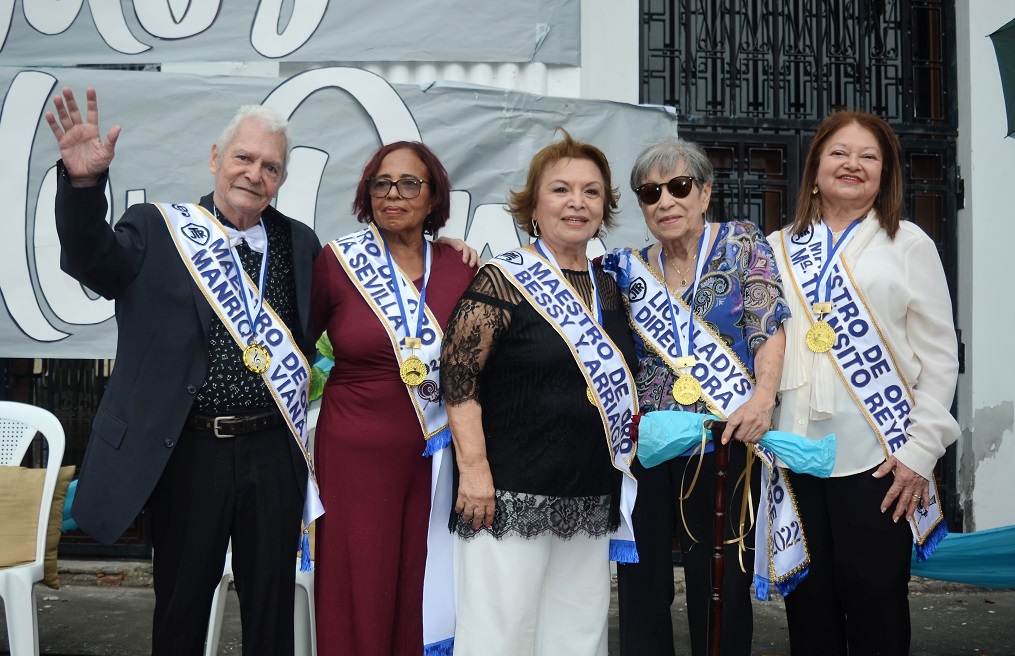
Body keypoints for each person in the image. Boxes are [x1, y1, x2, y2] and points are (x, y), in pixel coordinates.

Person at [47, 87, 322, 654]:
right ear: (215, 157)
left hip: (273, 451)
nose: (254, 174)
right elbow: (89, 259)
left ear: (282, 179)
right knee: (180, 610)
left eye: (271, 166)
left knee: (271, 617)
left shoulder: (300, 243)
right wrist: (81, 187)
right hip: (189, 452)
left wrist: (439, 251)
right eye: (244, 158)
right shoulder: (157, 228)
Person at [439, 129, 639, 656]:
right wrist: (475, 470)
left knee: (578, 636)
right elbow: (458, 377)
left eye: (591, 192)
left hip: (588, 493)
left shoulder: (611, 289)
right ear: (534, 204)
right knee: (500, 637)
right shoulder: (501, 281)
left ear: (604, 208)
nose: (577, 202)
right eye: (561, 190)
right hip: (508, 494)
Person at [769, 110, 960, 655]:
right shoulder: (777, 246)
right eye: (839, 153)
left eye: (868, 156)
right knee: (808, 607)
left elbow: (940, 356)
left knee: (875, 602)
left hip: (879, 457)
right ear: (815, 168)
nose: (852, 164)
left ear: (885, 173)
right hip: (795, 452)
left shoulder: (909, 244)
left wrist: (920, 451)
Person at [602, 138, 790, 656]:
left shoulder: (741, 242)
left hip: (723, 440)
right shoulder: (627, 270)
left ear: (704, 194)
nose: (666, 201)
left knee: (722, 584)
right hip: (648, 448)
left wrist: (763, 398)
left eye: (679, 187)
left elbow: (768, 324)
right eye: (650, 192)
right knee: (643, 583)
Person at [311, 141, 477, 656]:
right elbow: (296, 349)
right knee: (359, 582)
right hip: (354, 451)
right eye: (381, 183)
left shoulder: (460, 265)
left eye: (410, 183)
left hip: (437, 455)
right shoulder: (337, 263)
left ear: (433, 198)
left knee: (422, 579)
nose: (394, 194)